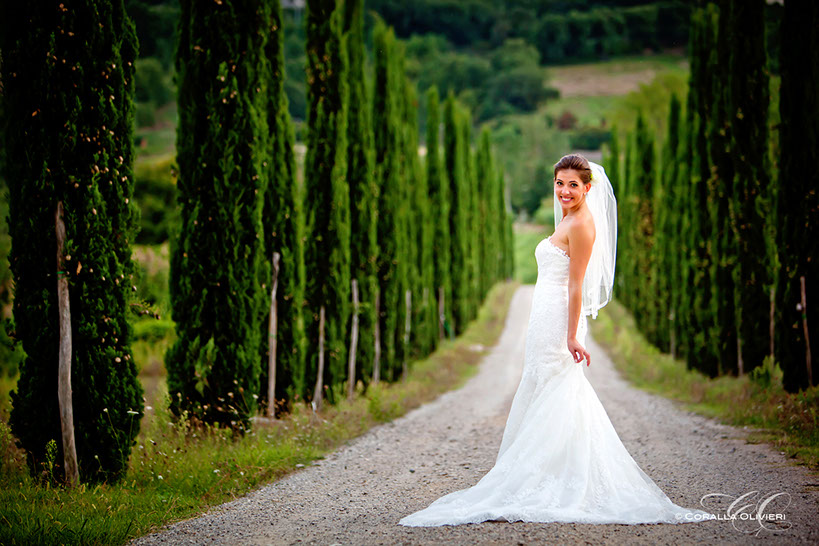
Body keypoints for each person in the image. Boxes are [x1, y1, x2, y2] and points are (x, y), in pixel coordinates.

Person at [398, 154, 717, 526]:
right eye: (560, 183)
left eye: (573, 185)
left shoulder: (582, 224)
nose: (565, 191)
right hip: (545, 314)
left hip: (560, 318)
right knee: (544, 386)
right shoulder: (567, 218)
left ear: (587, 188)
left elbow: (577, 283)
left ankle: (553, 478)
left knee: (560, 388)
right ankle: (549, 472)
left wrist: (571, 334)